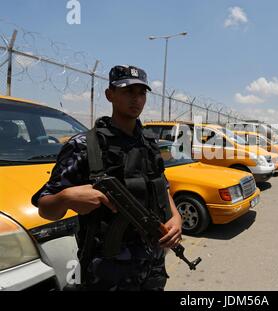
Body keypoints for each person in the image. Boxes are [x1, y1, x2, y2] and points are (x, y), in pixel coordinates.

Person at [32, 65, 182, 291]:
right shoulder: (84, 146)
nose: (136, 99)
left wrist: (176, 219)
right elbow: (45, 208)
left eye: (141, 93)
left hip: (152, 266)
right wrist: (65, 197)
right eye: (128, 91)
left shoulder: (149, 144)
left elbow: (162, 186)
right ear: (109, 94)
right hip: (106, 272)